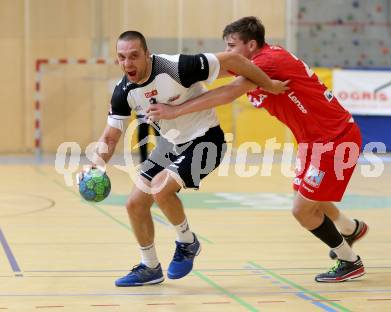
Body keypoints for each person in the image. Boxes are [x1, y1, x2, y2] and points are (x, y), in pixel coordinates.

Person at [147, 17, 369, 283]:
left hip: (335, 140)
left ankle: (349, 260)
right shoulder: (254, 61)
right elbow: (215, 72)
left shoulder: (267, 63)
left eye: (232, 46)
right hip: (313, 140)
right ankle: (349, 228)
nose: (228, 53)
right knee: (306, 193)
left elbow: (228, 94)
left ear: (251, 45)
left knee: (302, 210)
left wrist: (176, 111)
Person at [81, 30, 288, 287]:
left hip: (206, 139)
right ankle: (150, 267)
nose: (128, 63)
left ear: (147, 54)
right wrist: (96, 165)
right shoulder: (123, 91)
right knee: (134, 204)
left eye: (134, 56)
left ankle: (187, 242)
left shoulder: (176, 67)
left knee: (160, 188)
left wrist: (267, 83)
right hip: (171, 143)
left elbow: (234, 60)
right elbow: (111, 137)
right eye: (122, 57)